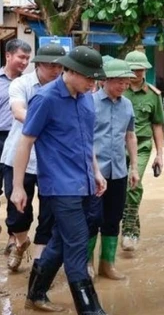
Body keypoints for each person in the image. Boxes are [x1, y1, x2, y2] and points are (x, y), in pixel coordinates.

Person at [10, 46, 108, 314]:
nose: (93, 84)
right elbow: (26, 141)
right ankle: (90, 309)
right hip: (60, 186)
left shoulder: (87, 98)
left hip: (85, 181)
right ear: (72, 71)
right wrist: (18, 187)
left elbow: (87, 142)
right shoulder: (46, 98)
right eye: (89, 78)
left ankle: (35, 295)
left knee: (61, 241)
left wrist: (96, 172)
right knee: (77, 245)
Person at [1, 44, 65, 272]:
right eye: (51, 65)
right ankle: (20, 241)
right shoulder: (22, 84)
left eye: (60, 66)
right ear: (39, 64)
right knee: (17, 213)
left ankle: (39, 265)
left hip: (51, 162)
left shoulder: (65, 88)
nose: (56, 70)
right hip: (19, 158)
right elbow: (18, 112)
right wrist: (51, 121)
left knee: (49, 213)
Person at [88, 59, 139, 281]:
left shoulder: (127, 105)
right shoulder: (88, 103)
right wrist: (95, 170)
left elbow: (130, 136)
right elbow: (85, 140)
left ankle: (107, 264)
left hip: (118, 170)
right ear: (105, 80)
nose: (123, 86)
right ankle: (86, 263)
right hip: (93, 171)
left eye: (126, 83)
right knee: (92, 217)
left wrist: (134, 167)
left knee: (113, 217)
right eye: (119, 82)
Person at [121, 50, 164, 252]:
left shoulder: (153, 95)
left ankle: (129, 230)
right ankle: (130, 224)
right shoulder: (118, 91)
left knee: (134, 182)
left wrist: (159, 155)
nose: (138, 74)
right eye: (134, 70)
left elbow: (157, 125)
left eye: (141, 70)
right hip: (117, 146)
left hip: (142, 145)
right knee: (119, 187)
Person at [0, 39, 31, 203]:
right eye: (21, 57)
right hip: (0, 136)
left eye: (28, 58)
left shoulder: (28, 84)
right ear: (8, 56)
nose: (25, 62)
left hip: (18, 140)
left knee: (13, 185)